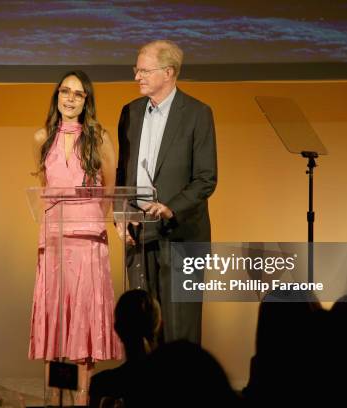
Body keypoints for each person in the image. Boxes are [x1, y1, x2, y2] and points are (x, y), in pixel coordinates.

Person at [29, 70, 122, 404]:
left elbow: (111, 190)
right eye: (64, 91)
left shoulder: (100, 139)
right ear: (57, 96)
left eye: (78, 94)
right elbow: (43, 188)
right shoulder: (42, 137)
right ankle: (56, 399)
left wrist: (99, 221)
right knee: (54, 324)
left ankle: (83, 400)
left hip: (87, 241)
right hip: (54, 241)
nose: (69, 98)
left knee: (83, 322)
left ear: (87, 101)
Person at [116, 40, 217, 343]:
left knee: (180, 330)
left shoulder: (198, 113)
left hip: (182, 234)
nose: (137, 77)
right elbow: (122, 173)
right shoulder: (130, 113)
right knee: (143, 329)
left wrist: (170, 207)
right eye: (137, 70)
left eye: (144, 71)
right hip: (140, 235)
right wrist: (121, 216)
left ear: (169, 72)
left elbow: (206, 178)